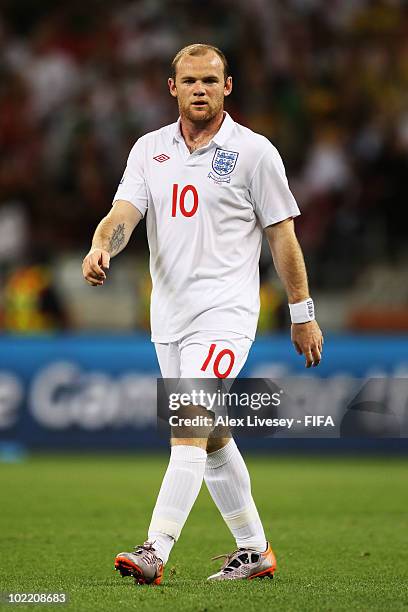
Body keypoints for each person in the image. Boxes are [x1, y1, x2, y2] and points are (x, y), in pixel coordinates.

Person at [82, 43, 323, 584]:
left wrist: (301, 312)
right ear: (172, 87)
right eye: (189, 80)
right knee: (210, 433)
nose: (199, 89)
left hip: (226, 312)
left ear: (227, 87)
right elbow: (125, 212)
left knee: (187, 420)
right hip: (168, 317)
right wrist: (102, 246)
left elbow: (283, 238)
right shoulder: (149, 150)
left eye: (210, 81)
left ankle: (155, 549)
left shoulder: (256, 153)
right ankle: (255, 550)